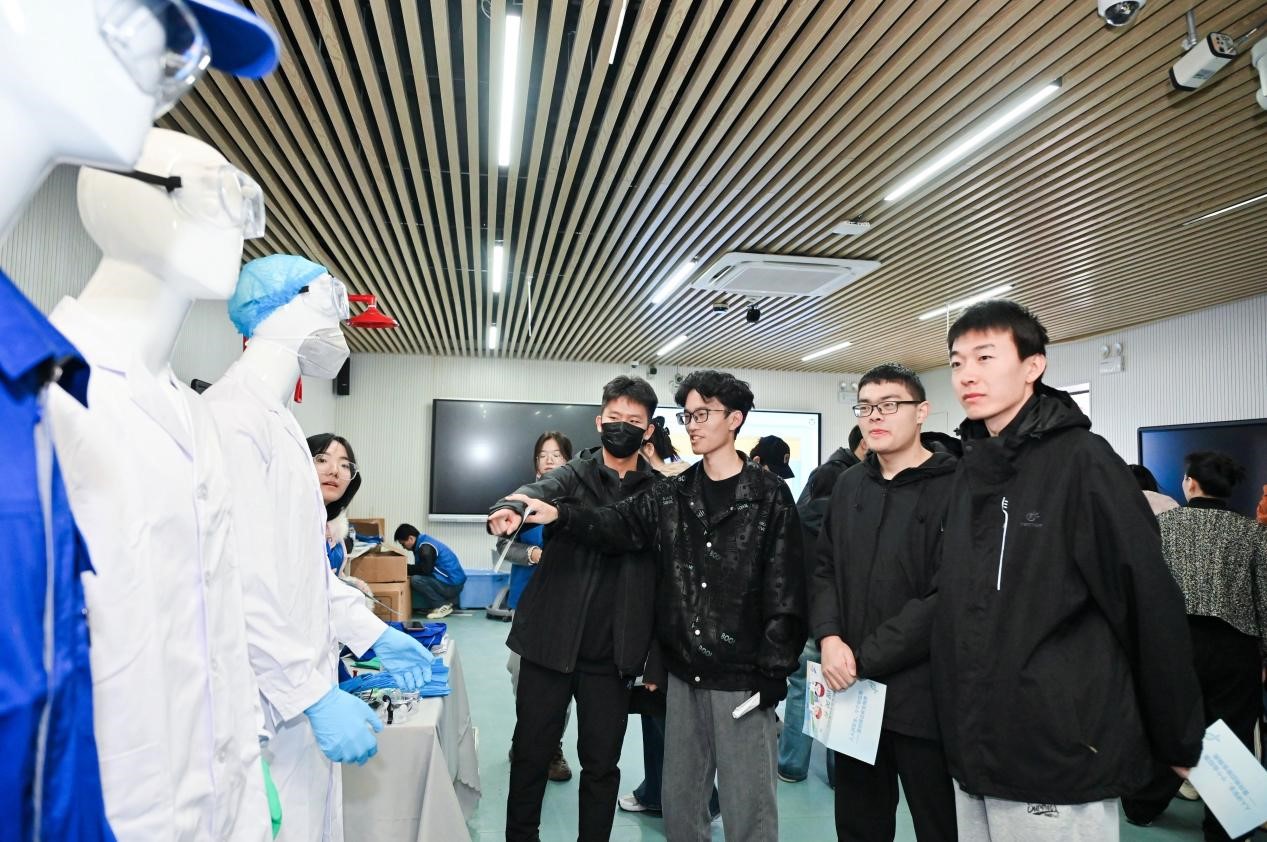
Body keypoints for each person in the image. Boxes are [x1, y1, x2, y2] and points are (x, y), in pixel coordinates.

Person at [495, 369, 806, 842]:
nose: (693, 424)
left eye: (704, 414)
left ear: (735, 419)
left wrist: (774, 668)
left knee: (747, 807)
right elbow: (607, 522)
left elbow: (785, 583)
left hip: (733, 673)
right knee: (680, 804)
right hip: (670, 670)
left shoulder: (763, 495)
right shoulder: (668, 492)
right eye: (688, 415)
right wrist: (554, 512)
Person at [933, 299, 1203, 841]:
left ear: (1033, 366)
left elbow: (1145, 600)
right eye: (957, 362)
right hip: (976, 741)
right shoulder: (971, 470)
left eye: (985, 357)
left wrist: (1179, 734)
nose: (967, 375)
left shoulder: (1084, 461)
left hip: (1059, 746)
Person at [488, 375, 660, 841]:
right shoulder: (573, 475)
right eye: (615, 418)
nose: (622, 427)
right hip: (548, 644)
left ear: (648, 430)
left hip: (612, 655)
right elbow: (535, 490)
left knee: (602, 766)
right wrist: (509, 508)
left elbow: (623, 532)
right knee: (530, 755)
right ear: (599, 422)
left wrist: (564, 516)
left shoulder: (657, 493)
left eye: (634, 421)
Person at [811, 363, 957, 841]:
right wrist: (829, 637)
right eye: (866, 406)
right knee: (859, 823)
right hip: (853, 692)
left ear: (922, 412)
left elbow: (946, 595)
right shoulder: (850, 484)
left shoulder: (956, 486)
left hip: (925, 695)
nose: (875, 415)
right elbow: (824, 568)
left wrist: (863, 657)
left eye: (890, 405)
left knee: (940, 823)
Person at [1122, 452, 1267, 840]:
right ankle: (1225, 829)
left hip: (1174, 643)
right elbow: (1265, 598)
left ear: (1190, 482)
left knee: (1167, 725)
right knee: (1232, 735)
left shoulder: (1162, 526)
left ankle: (1141, 806)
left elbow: (1145, 591)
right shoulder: (1252, 532)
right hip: (1235, 646)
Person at [499, 431, 575, 783]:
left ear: (569, 462)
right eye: (543, 455)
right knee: (521, 674)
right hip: (527, 604)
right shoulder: (521, 501)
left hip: (566, 606)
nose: (549, 460)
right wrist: (530, 554)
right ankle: (525, 738)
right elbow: (501, 549)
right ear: (536, 463)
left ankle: (553, 747)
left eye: (556, 455)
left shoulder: (578, 503)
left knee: (561, 680)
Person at [308, 433, 363, 574]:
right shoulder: (281, 525)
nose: (334, 471)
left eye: (344, 465)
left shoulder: (332, 531)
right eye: (322, 460)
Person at [395, 523, 467, 619]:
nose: (403, 547)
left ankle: (441, 605)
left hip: (452, 586)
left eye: (403, 544)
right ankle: (442, 603)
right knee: (416, 577)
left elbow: (425, 571)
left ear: (411, 538)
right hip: (451, 583)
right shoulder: (423, 543)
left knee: (416, 580)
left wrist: (402, 568)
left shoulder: (426, 548)